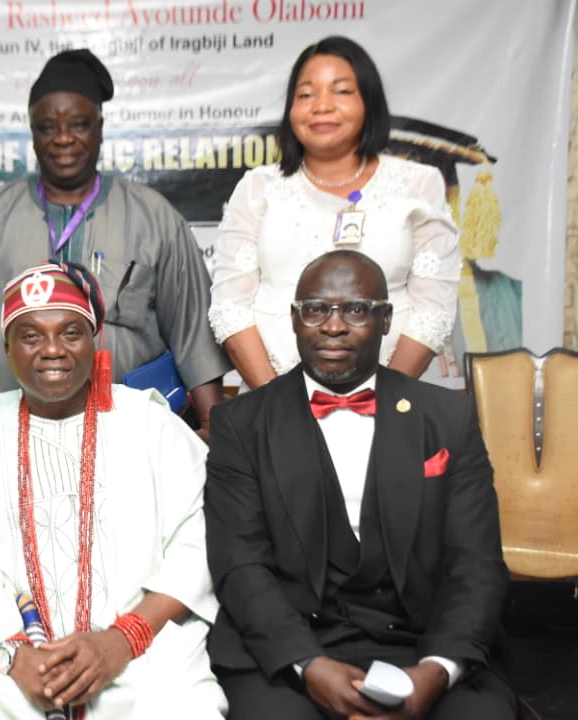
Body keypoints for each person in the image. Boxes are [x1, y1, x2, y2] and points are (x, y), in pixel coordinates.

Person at [204, 250, 515, 719]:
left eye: (355, 309)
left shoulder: (448, 418)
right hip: (289, 645)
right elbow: (240, 566)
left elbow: (476, 563)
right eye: (316, 309)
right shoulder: (241, 424)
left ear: (386, 320)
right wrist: (308, 665)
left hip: (421, 641)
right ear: (295, 319)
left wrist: (436, 670)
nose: (333, 326)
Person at [0, 263, 227, 718]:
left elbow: (199, 545)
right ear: (7, 348)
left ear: (95, 341)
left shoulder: (151, 425)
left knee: (182, 706)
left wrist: (123, 639)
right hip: (10, 663)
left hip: (140, 652)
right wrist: (16, 657)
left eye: (71, 333)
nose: (53, 349)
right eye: (31, 336)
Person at [0, 49, 229, 442]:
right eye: (47, 127)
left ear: (100, 127)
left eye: (79, 124)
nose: (63, 138)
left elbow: (194, 335)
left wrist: (216, 438)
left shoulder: (153, 217)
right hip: (3, 440)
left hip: (126, 440)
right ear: (32, 133)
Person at [207, 36, 460, 389]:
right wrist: (277, 403)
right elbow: (230, 307)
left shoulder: (418, 185)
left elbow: (433, 308)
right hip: (272, 402)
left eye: (340, 91)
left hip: (393, 400)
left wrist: (381, 401)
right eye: (306, 94)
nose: (321, 106)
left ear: (369, 102)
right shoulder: (258, 188)